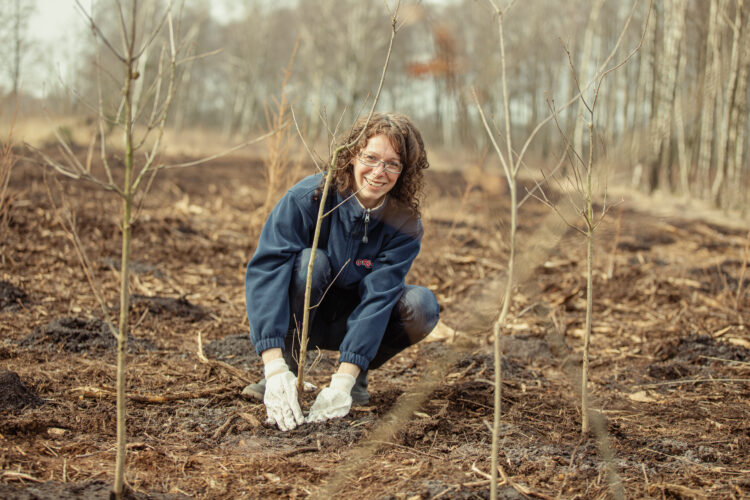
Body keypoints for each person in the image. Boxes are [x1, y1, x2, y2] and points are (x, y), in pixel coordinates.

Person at [242, 112, 440, 431]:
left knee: (422, 306)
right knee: (311, 263)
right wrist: (273, 366)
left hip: (355, 324)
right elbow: (267, 270)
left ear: (405, 171)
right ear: (350, 156)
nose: (379, 172)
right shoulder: (310, 198)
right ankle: (288, 372)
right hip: (306, 317)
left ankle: (355, 377)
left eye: (392, 163)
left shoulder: (404, 223)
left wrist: (343, 382)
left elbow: (380, 296)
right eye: (371, 158)